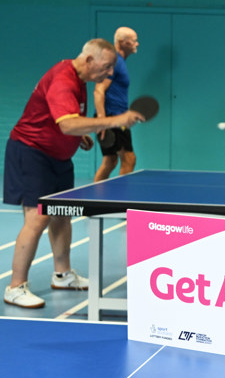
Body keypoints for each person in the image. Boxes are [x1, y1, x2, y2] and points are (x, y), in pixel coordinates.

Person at [3, 39, 144, 308]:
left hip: (57, 157)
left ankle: (63, 274)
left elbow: (64, 119)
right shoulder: (63, 79)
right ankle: (15, 286)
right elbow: (68, 124)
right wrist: (115, 120)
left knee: (62, 214)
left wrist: (80, 136)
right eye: (107, 67)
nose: (110, 74)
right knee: (37, 219)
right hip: (32, 154)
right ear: (89, 60)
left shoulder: (78, 78)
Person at [94, 27, 140, 182]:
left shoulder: (119, 62)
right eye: (133, 40)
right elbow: (99, 90)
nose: (137, 44)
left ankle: (95, 199)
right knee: (129, 159)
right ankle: (121, 199)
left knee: (110, 161)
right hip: (111, 117)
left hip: (117, 116)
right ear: (122, 42)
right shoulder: (115, 62)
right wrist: (102, 121)